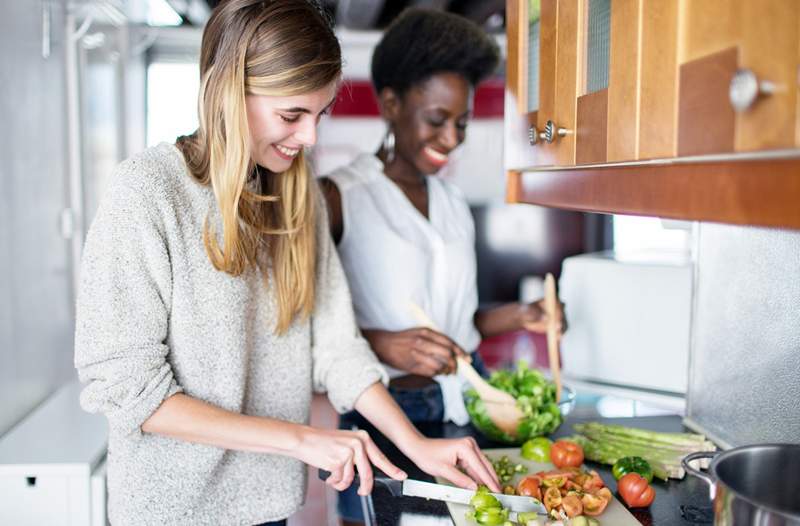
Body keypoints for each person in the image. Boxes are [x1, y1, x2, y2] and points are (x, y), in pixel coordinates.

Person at [73, 2, 500, 525]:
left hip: (270, 505)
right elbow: (129, 390)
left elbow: (338, 346)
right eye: (291, 115)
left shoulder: (299, 200)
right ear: (228, 93)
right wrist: (303, 440)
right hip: (172, 511)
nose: (310, 138)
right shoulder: (147, 192)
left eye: (319, 115)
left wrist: (416, 443)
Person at [319, 8, 564, 524]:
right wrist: (384, 343)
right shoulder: (338, 197)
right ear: (390, 104)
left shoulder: (453, 204)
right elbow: (305, 333)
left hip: (459, 409)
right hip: (379, 417)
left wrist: (522, 316)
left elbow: (457, 325)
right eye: (436, 120)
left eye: (462, 123)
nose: (451, 139)